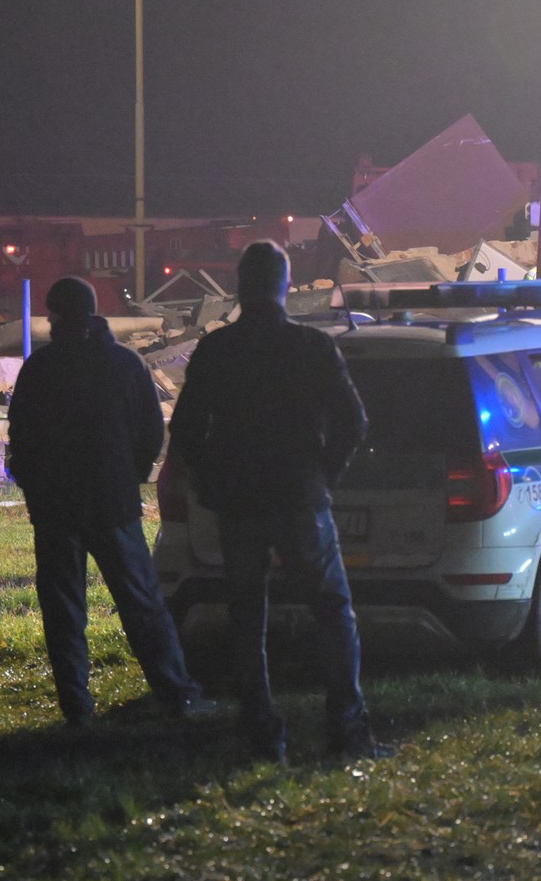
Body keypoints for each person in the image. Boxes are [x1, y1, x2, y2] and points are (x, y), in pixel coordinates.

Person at [167, 241, 388, 763]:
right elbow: (353, 422)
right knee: (333, 612)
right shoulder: (311, 348)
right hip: (298, 497)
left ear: (241, 287)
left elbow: (186, 429)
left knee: (247, 618)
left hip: (240, 501)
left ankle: (263, 735)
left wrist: (207, 480)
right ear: (285, 286)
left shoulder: (217, 351)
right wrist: (322, 476)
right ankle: (347, 731)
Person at [7, 276, 206, 725]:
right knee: (143, 603)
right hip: (113, 503)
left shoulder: (40, 369)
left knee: (63, 610)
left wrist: (36, 488)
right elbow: (151, 432)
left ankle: (77, 707)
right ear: (95, 313)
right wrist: (129, 476)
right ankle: (176, 694)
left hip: (57, 508)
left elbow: (21, 438)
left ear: (53, 316)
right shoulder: (125, 365)